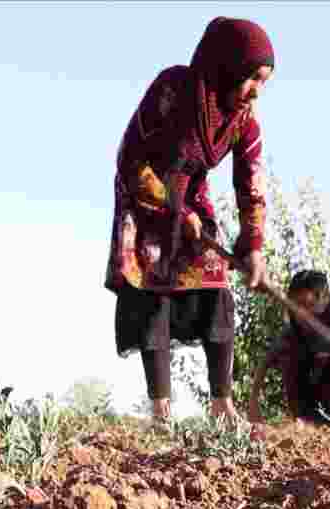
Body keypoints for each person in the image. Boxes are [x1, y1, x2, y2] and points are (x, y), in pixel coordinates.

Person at [103, 17, 275, 432]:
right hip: (146, 196)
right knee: (154, 295)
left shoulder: (244, 121)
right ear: (228, 66)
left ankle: (222, 405)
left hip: (193, 204)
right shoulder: (173, 89)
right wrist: (174, 210)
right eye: (252, 78)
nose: (257, 90)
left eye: (265, 82)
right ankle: (160, 412)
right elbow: (130, 158)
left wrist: (253, 246)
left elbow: (251, 185)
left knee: (215, 288)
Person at [247, 270, 330, 426]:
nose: (302, 312)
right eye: (297, 305)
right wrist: (253, 402)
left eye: (308, 305)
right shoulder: (289, 335)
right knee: (289, 355)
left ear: (325, 300)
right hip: (303, 406)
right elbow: (264, 363)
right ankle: (303, 419)